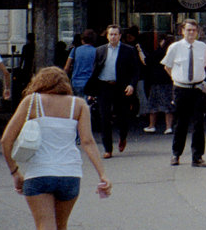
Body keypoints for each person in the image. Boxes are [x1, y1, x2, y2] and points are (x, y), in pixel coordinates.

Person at [0, 67, 110, 230]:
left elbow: (6, 139)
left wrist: (15, 172)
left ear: (40, 82)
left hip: (38, 175)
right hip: (70, 174)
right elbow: (89, 141)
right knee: (62, 228)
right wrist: (103, 175)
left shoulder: (32, 102)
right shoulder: (78, 105)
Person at [161, 20, 206, 167]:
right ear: (182, 31)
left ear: (197, 32)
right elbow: (167, 67)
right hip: (181, 89)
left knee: (199, 123)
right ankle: (176, 154)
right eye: (188, 30)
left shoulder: (202, 47)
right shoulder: (175, 47)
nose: (191, 33)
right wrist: (177, 79)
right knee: (181, 123)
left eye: (194, 30)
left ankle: (197, 157)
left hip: (197, 89)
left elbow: (204, 65)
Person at [88, 25, 140, 159]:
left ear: (120, 36)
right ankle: (108, 149)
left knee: (122, 116)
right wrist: (92, 91)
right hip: (104, 86)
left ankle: (123, 137)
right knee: (104, 117)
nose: (113, 37)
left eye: (116, 34)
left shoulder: (128, 50)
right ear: (107, 36)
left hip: (120, 87)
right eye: (111, 34)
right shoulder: (100, 50)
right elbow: (95, 70)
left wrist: (131, 85)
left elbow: (135, 71)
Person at [142, 34, 174, 134]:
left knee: (153, 104)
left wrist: (139, 51)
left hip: (156, 81)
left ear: (162, 41)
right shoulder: (171, 52)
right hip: (169, 80)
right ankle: (168, 127)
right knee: (168, 104)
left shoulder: (158, 52)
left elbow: (146, 61)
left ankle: (152, 126)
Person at [63, 30, 97, 98]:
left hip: (76, 82)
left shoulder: (75, 50)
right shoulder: (96, 51)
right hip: (89, 83)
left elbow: (67, 67)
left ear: (82, 40)